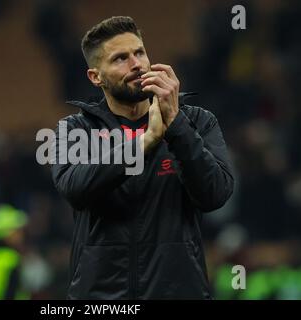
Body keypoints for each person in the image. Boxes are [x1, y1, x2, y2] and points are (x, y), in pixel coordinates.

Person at [51, 16, 234, 299]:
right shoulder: (76, 130)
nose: (136, 64)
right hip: (100, 299)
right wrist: (144, 143)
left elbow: (215, 194)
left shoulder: (197, 121)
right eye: (120, 58)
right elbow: (74, 189)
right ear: (95, 76)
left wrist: (176, 126)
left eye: (139, 52)